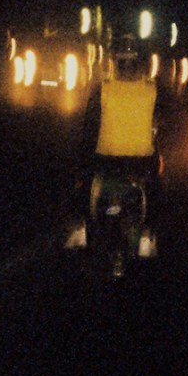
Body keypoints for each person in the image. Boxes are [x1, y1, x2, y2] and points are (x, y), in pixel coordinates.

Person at [79, 35, 162, 252]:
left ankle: (80, 229)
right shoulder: (152, 89)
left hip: (104, 163)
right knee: (155, 189)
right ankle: (147, 235)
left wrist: (82, 156)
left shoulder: (103, 89)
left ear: (115, 62)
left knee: (82, 187)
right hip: (141, 165)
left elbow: (89, 127)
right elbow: (168, 123)